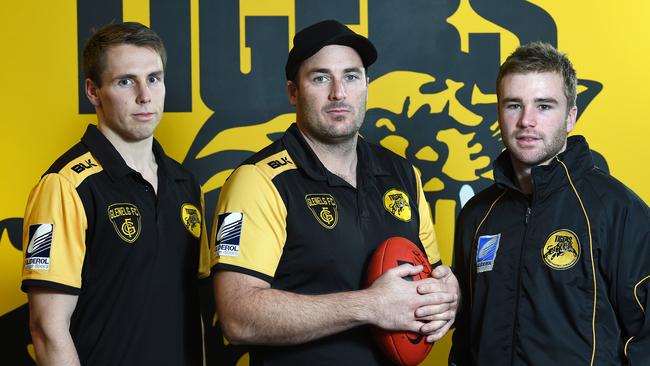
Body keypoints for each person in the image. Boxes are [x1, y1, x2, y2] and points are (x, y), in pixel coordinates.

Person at [210, 19, 459, 365]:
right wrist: (370, 306)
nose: (338, 93)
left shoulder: (404, 175)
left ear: (367, 85)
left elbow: (428, 278)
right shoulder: (257, 181)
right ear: (293, 92)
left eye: (351, 76)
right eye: (321, 77)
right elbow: (237, 316)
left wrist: (447, 294)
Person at [449, 42, 650, 365]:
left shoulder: (617, 210)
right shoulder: (478, 215)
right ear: (499, 112)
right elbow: (466, 336)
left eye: (544, 106)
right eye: (514, 105)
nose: (527, 120)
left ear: (571, 117)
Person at [21, 22, 210, 365]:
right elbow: (47, 329)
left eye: (154, 78)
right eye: (126, 81)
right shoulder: (65, 187)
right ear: (93, 92)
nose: (144, 95)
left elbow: (195, 306)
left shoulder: (185, 184)